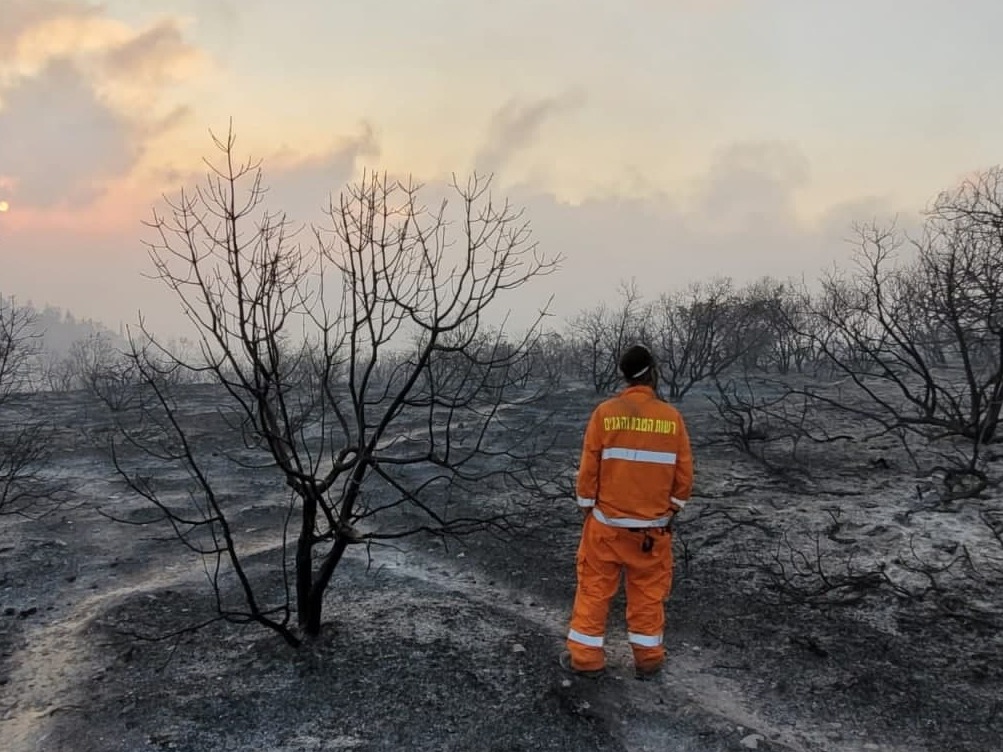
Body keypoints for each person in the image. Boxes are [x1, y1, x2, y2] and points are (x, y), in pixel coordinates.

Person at [564, 344, 694, 680]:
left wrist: (586, 507)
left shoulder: (605, 413)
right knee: (648, 596)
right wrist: (672, 510)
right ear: (652, 372)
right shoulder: (672, 419)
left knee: (594, 590)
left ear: (624, 375)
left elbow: (588, 468)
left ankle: (586, 661)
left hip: (606, 527)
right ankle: (648, 660)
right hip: (652, 532)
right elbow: (683, 477)